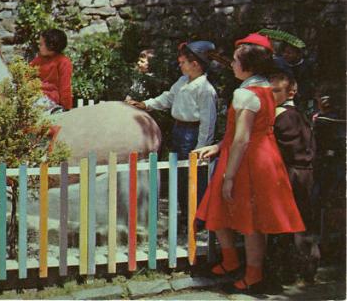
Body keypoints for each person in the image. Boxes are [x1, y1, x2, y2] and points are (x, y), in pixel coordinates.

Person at [194, 33, 305, 294]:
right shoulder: (263, 88)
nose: (231, 64)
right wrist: (219, 146)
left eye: (235, 60)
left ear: (248, 66)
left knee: (252, 221)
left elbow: (243, 138)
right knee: (222, 210)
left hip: (248, 160)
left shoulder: (245, 95)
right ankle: (233, 261)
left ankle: (252, 273)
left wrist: (229, 176)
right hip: (258, 155)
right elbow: (239, 132)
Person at [126, 41, 218, 223]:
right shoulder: (183, 81)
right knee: (179, 175)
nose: (180, 65)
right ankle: (185, 216)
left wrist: (201, 147)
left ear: (195, 64)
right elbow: (168, 97)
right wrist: (147, 104)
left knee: (192, 175)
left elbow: (208, 122)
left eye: (183, 62)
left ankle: (197, 218)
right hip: (179, 129)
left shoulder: (205, 89)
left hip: (192, 133)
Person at [268, 71, 320, 282]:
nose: (272, 95)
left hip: (292, 173)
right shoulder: (297, 115)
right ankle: (301, 267)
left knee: (289, 221)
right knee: (301, 221)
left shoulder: (284, 116)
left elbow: (285, 149)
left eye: (277, 91)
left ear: (292, 91)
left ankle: (291, 269)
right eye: (270, 91)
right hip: (302, 172)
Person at [30, 29, 73, 113]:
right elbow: (26, 75)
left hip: (49, 100)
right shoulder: (38, 60)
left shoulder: (63, 62)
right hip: (35, 96)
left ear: (51, 46)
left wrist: (66, 106)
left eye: (41, 44)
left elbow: (65, 87)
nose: (39, 47)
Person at [279, 43, 314, 114]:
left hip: (302, 99)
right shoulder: (280, 64)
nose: (285, 55)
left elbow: (309, 85)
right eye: (284, 52)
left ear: (299, 55)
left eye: (289, 53)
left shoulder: (307, 66)